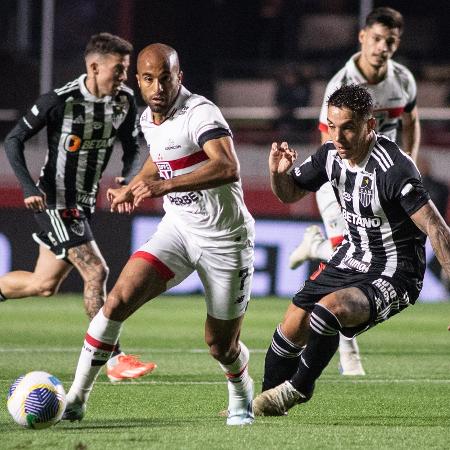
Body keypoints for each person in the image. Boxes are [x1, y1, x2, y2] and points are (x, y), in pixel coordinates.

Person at [62, 43, 256, 426]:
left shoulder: (200, 112)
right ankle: (75, 399)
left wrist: (163, 186)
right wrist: (134, 185)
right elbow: (159, 157)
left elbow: (227, 166)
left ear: (178, 77)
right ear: (139, 80)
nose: (157, 87)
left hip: (225, 240)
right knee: (116, 301)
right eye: (148, 79)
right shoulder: (148, 119)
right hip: (178, 231)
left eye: (165, 78)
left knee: (221, 345)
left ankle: (241, 390)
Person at [251, 84, 450, 416]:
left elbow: (436, 227)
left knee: (330, 310)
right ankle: (263, 403)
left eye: (348, 127)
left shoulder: (394, 169)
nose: (338, 136)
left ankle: (299, 388)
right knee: (292, 324)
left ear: (370, 126)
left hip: (395, 271)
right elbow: (289, 194)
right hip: (352, 256)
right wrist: (277, 173)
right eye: (332, 126)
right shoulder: (330, 154)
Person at [1, 32, 155, 382]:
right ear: (94, 66)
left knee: (43, 285)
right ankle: (113, 359)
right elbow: (14, 140)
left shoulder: (125, 101)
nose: (123, 78)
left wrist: (127, 181)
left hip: (82, 204)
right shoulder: (61, 100)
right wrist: (28, 188)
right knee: (96, 272)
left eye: (126, 70)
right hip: (54, 199)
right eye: (118, 70)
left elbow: (133, 148)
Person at [288, 7, 421, 376]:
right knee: (348, 262)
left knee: (362, 255)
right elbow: (327, 144)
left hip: (384, 185)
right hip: (342, 183)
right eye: (376, 39)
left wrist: (408, 163)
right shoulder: (340, 85)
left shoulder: (403, 80)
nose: (383, 47)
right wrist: (346, 184)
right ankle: (350, 355)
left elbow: (411, 121)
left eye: (390, 41)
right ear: (362, 37)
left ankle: (314, 246)